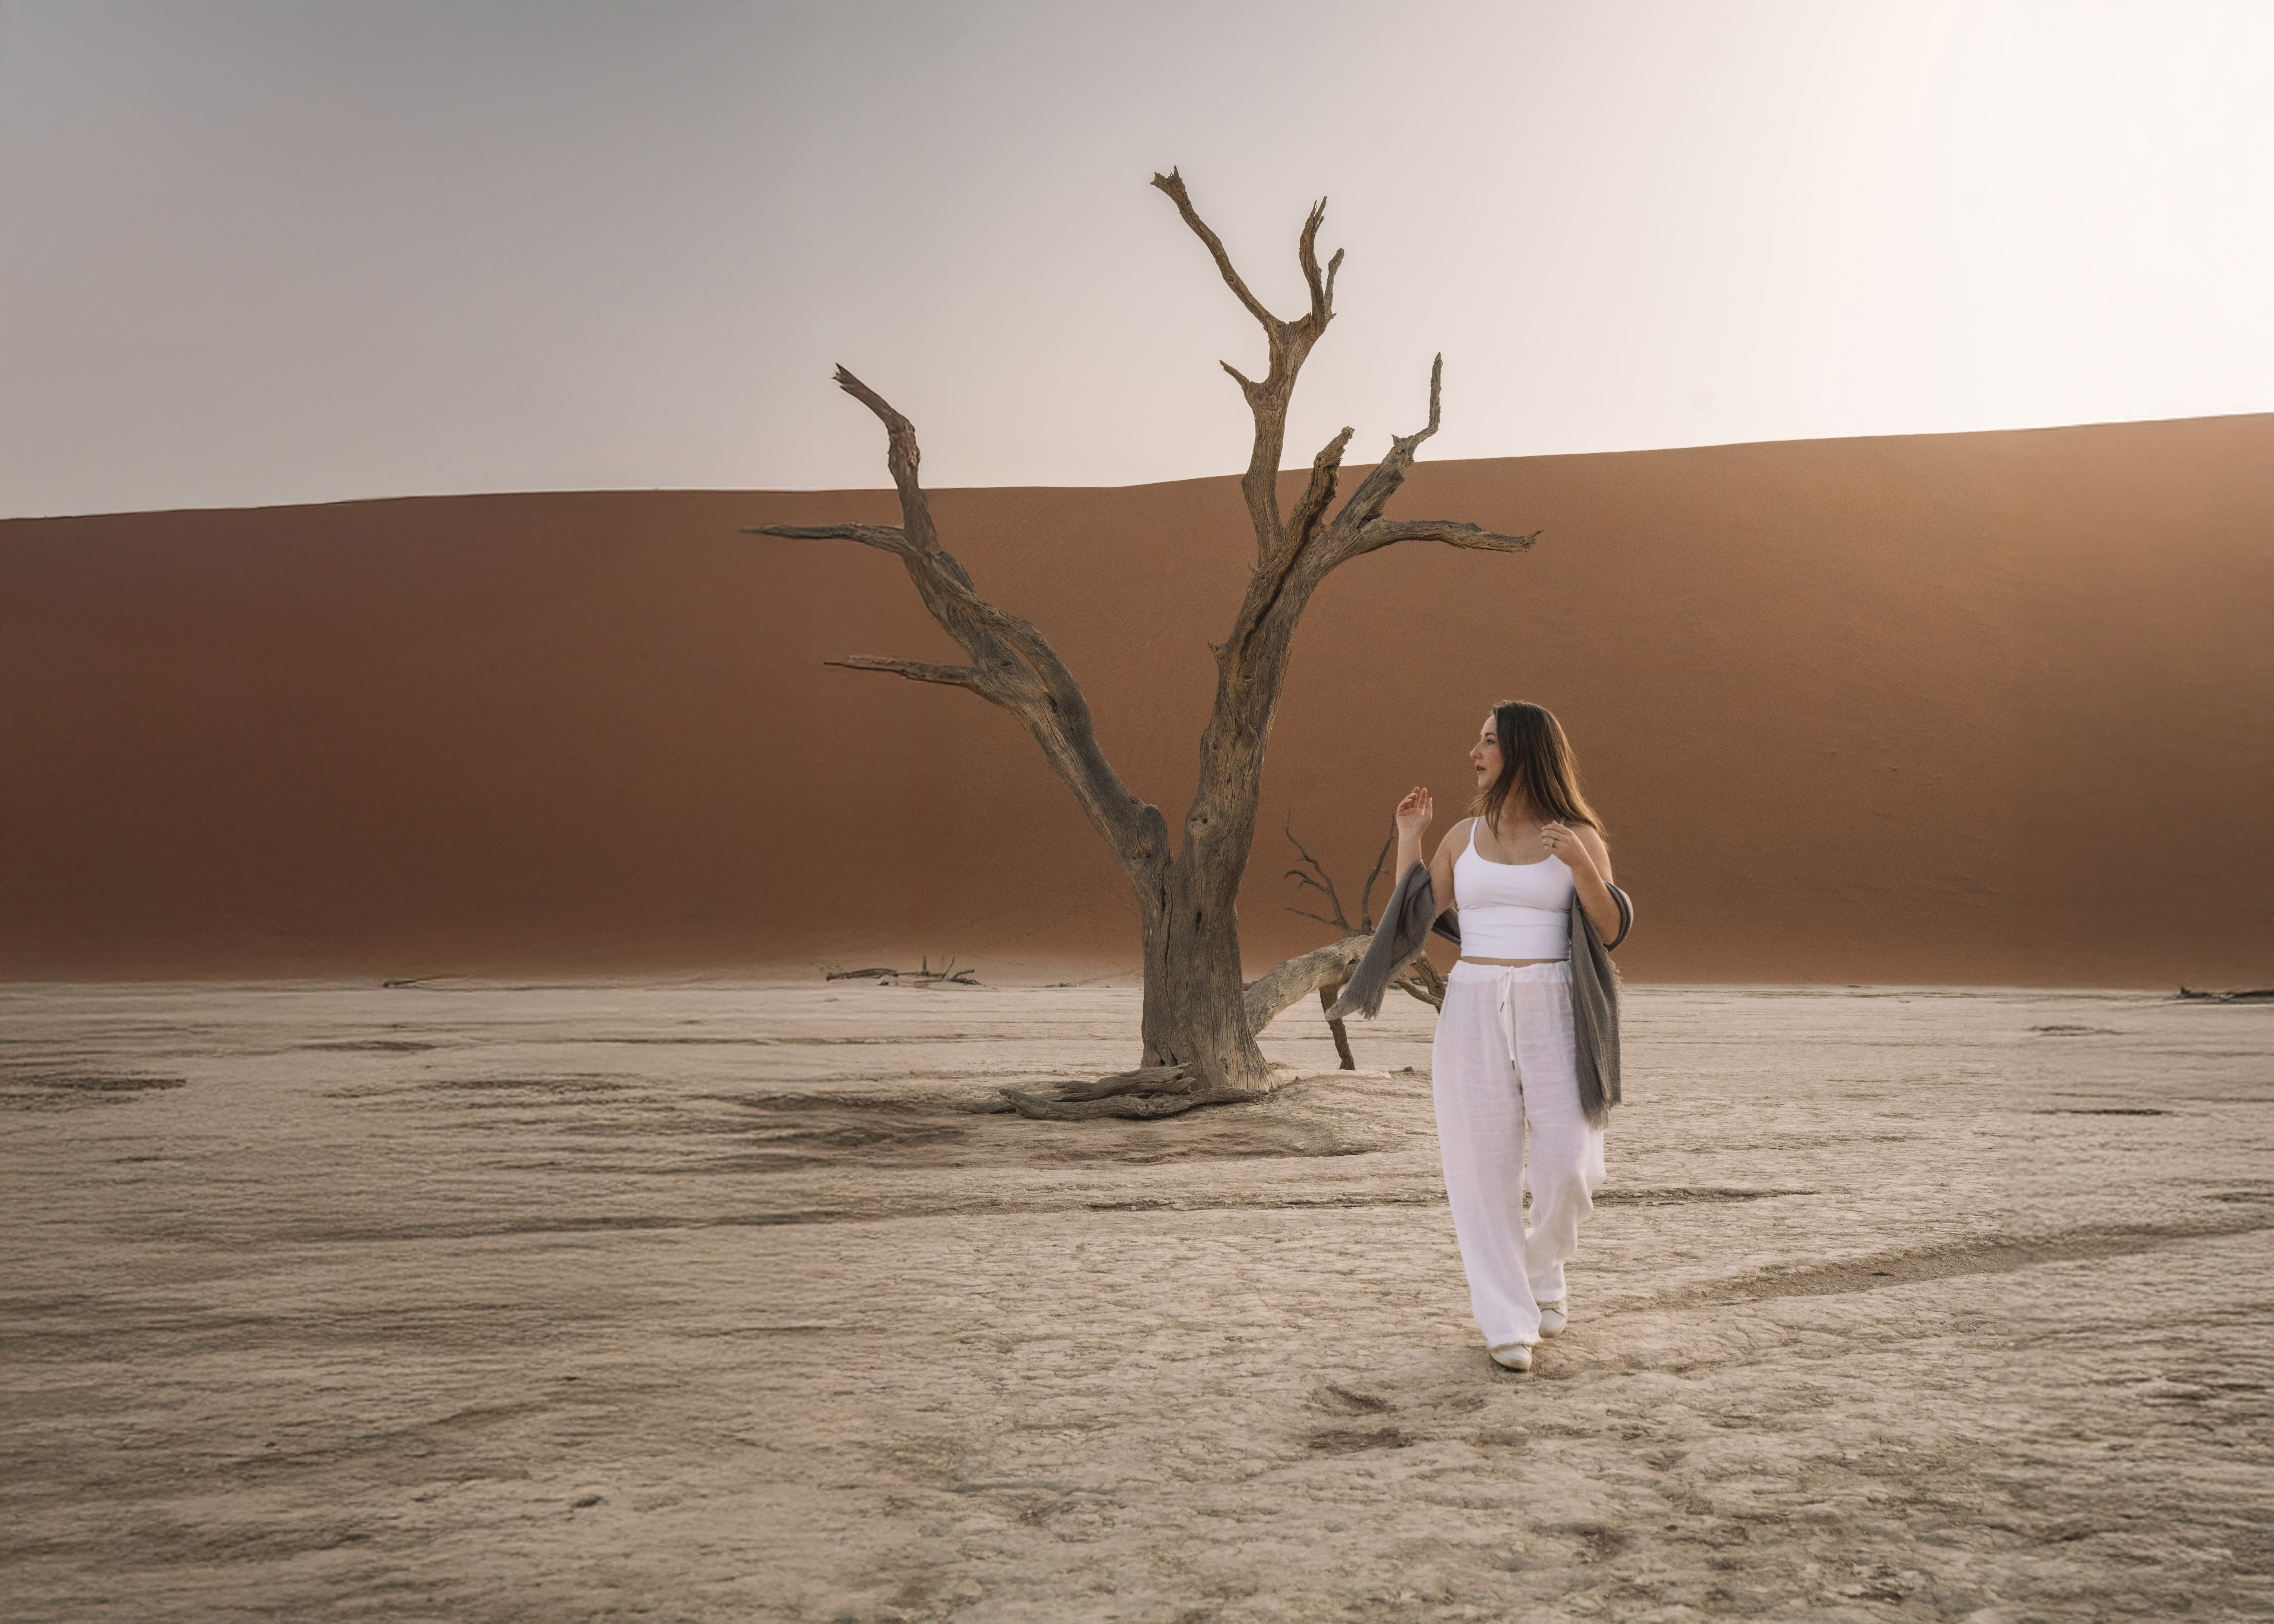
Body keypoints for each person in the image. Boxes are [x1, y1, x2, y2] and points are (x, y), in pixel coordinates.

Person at [1389, 701, 1625, 1373]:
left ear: (1524, 751)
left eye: (1489, 741)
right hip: (1472, 1005)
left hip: (1557, 1003)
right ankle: (1506, 1320)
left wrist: (1580, 865)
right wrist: (1409, 837)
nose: (1475, 752)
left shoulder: (1577, 835)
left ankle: (1541, 1269)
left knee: (1571, 1165)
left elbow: (1609, 928)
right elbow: (1413, 918)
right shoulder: (1462, 837)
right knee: (1481, 1169)